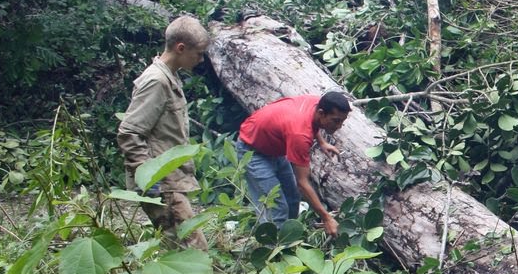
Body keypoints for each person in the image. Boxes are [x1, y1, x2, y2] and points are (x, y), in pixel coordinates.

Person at [117, 15, 210, 250]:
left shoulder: (169, 77)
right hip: (162, 182)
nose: (201, 60)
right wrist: (150, 182)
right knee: (190, 252)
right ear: (181, 48)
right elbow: (130, 132)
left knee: (182, 251)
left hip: (170, 179)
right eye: (198, 53)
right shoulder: (157, 80)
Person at [236, 91, 351, 236]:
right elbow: (302, 183)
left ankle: (288, 241)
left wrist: (322, 142)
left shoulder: (315, 103)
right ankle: (273, 251)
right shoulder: (299, 135)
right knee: (276, 209)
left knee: (292, 199)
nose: (339, 126)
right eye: (336, 121)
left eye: (342, 121)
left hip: (274, 147)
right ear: (321, 113)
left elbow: (312, 123)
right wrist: (326, 217)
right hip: (253, 152)